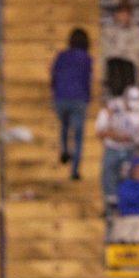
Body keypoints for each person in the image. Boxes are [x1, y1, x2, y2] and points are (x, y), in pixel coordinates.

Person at [95, 87, 139, 202]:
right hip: (113, 147)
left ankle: (129, 205)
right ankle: (110, 207)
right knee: (108, 177)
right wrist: (116, 136)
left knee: (132, 177)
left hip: (133, 148)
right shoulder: (112, 108)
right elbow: (99, 131)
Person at [50, 27, 92, 181]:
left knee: (64, 126)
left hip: (61, 97)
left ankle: (64, 149)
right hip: (79, 98)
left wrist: (55, 93)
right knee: (78, 136)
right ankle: (74, 170)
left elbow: (54, 75)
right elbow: (86, 80)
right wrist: (88, 98)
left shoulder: (61, 55)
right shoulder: (86, 58)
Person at [101, 2, 139, 96]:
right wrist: (121, 52)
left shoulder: (137, 31)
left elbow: (137, 49)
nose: (123, 16)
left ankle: (128, 95)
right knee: (114, 63)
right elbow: (106, 49)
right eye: (121, 13)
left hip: (130, 65)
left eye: (125, 14)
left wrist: (121, 52)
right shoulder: (108, 30)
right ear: (116, 15)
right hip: (114, 64)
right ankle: (116, 96)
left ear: (130, 15)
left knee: (126, 63)